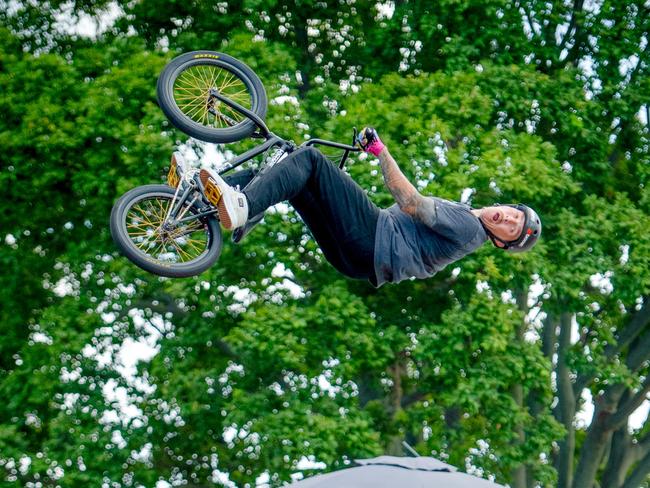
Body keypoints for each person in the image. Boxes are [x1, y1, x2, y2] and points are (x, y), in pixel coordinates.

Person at [197, 127, 541, 287]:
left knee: (312, 160)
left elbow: (410, 203)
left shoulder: (469, 228)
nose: (509, 218)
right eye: (514, 213)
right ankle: (199, 207)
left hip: (374, 241)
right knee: (288, 176)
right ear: (506, 205)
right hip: (357, 261)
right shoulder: (466, 217)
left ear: (499, 242)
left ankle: (242, 206)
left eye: (511, 228)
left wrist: (381, 152)